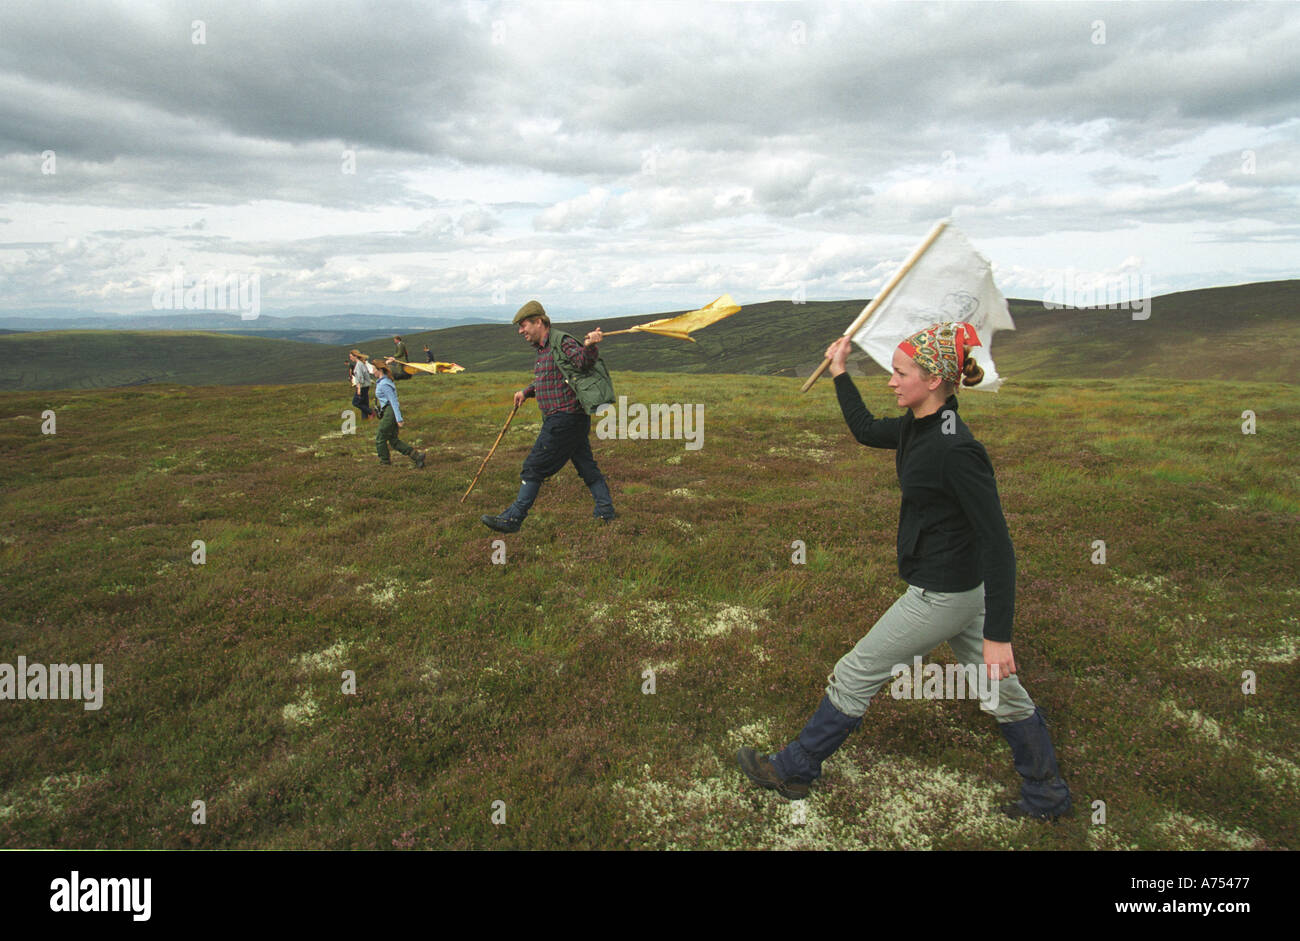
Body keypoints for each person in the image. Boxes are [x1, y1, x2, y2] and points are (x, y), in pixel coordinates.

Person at [737, 322, 1072, 821]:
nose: (891, 381)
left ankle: (794, 769)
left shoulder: (957, 448)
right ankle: (1047, 795)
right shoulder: (922, 427)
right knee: (1002, 692)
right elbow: (866, 430)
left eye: (899, 373)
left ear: (934, 380)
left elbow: (998, 544)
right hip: (959, 591)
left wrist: (1000, 635)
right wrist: (839, 372)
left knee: (855, 672)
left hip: (943, 594)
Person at [480, 299, 616, 533]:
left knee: (533, 467)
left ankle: (513, 519)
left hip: (564, 418)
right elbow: (550, 378)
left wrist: (591, 345)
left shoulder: (561, 341)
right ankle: (606, 510)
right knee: (587, 467)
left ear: (539, 322)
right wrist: (527, 391)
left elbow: (582, 362)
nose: (521, 331)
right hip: (570, 419)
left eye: (523, 325)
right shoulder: (544, 350)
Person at [371, 358, 426, 468]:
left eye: (373, 369)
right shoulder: (384, 381)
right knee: (393, 440)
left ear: (379, 370)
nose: (372, 372)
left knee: (380, 438)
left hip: (390, 412)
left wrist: (399, 418)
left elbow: (393, 401)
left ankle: (385, 463)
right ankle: (416, 456)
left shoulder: (384, 384)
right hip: (388, 411)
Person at [349, 350, 374, 420]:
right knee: (364, 402)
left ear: (355, 356)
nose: (350, 358)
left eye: (351, 357)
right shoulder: (362, 363)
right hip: (366, 385)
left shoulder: (359, 365)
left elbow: (360, 377)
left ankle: (371, 412)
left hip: (362, 386)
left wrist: (359, 388)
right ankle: (365, 419)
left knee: (355, 402)